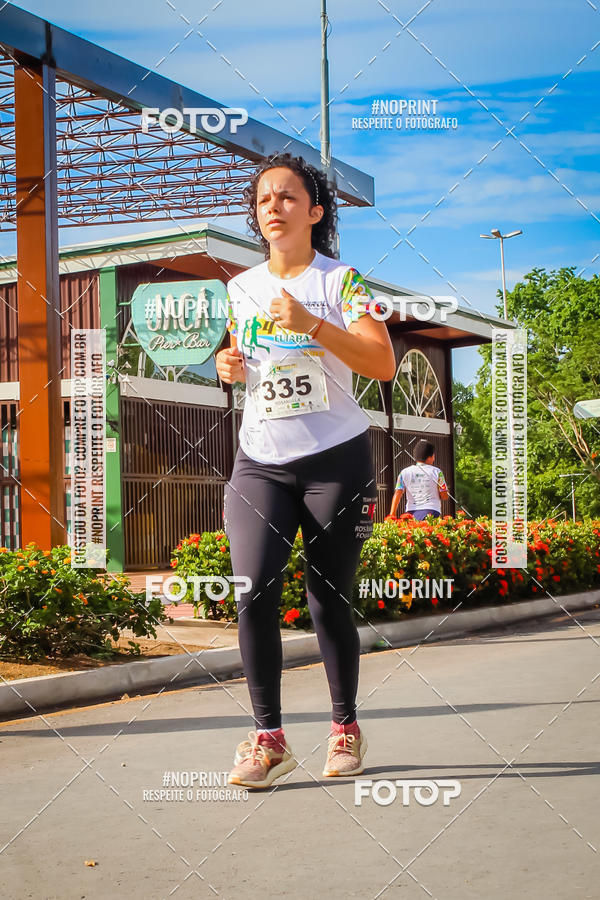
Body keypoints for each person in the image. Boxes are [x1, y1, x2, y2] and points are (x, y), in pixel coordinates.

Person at [215, 152, 395, 789]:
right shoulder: (240, 288)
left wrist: (313, 323)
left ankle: (344, 728)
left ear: (314, 212)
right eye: (264, 198)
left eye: (288, 196)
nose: (273, 206)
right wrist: (227, 368)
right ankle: (268, 740)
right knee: (253, 592)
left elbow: (382, 364)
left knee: (327, 601)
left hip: (334, 461)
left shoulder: (341, 282)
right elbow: (242, 356)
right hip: (259, 459)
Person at [389, 439, 449, 521]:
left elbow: (398, 493)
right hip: (431, 511)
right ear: (429, 457)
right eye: (433, 456)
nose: (434, 459)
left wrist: (392, 514)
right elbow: (444, 495)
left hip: (410, 514)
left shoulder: (404, 472)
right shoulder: (437, 472)